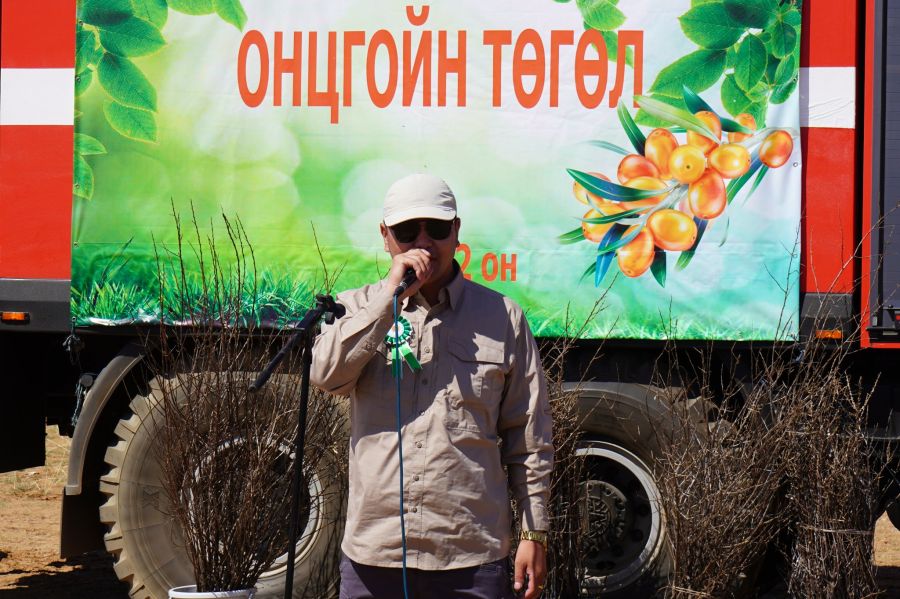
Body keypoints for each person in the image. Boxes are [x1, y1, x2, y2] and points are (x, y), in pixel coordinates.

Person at [311, 173, 553, 599]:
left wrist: (534, 533)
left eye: (436, 228)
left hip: (470, 555)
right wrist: (388, 299)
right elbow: (326, 376)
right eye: (407, 231)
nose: (423, 243)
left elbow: (529, 437)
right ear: (385, 236)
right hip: (375, 555)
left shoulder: (503, 317)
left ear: (456, 231)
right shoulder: (356, 307)